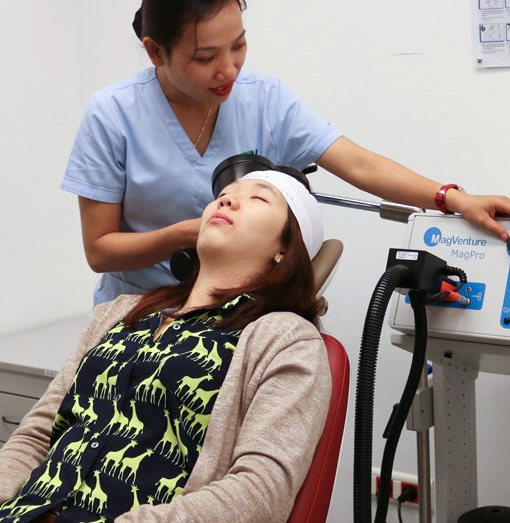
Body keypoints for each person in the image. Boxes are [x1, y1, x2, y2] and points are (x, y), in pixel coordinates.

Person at [61, 0, 510, 304]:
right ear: (155, 51)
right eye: (205, 57)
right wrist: (190, 233)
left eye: (239, 46)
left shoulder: (263, 99)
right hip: (140, 317)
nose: (228, 70)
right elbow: (101, 250)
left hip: (240, 320)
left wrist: (454, 198)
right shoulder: (113, 115)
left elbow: (357, 163)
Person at [0, 170, 331, 522]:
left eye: (259, 198)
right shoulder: (119, 312)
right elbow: (37, 435)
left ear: (285, 248)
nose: (228, 199)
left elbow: (260, 492)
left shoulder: (286, 340)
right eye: (226, 193)